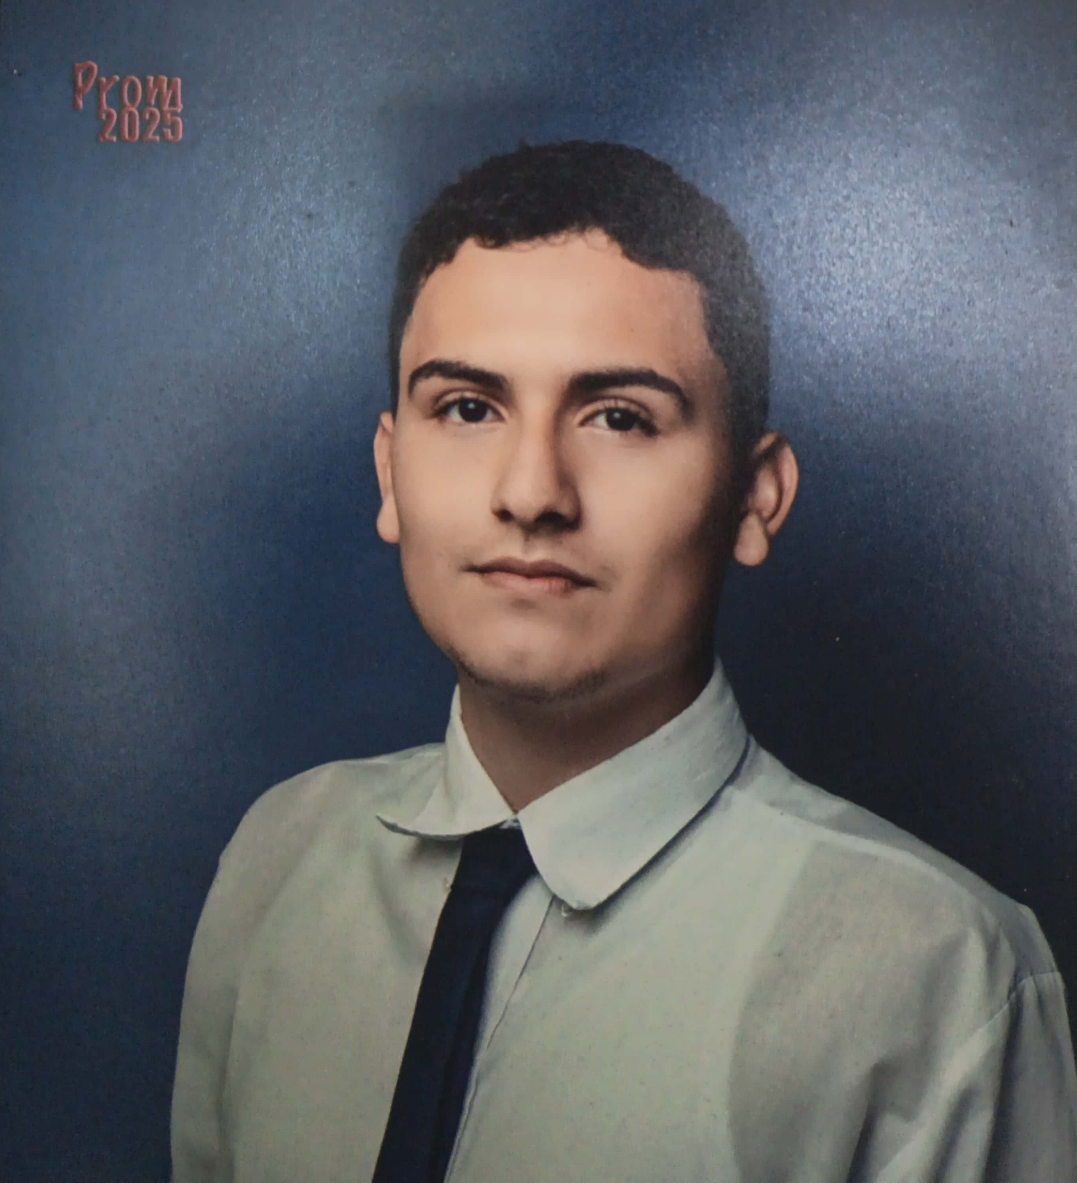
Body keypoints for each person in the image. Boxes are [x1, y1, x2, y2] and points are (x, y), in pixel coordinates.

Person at [170, 141, 1077, 1182]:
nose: (531, 492)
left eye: (618, 417)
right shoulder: (278, 860)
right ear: (389, 470)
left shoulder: (942, 973)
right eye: (467, 407)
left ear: (755, 497)